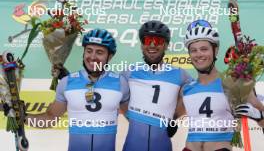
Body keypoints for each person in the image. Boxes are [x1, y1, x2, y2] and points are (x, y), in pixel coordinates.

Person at [26, 29, 129, 151]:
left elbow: (134, 119)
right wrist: (22, 116)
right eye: (89, 51)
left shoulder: (120, 82)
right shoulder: (66, 82)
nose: (92, 57)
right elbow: (50, 118)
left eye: (99, 52)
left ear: (109, 56)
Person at [122, 20, 192, 151]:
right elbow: (116, 99)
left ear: (165, 45)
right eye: (148, 40)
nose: (153, 45)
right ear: (142, 45)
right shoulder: (129, 72)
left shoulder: (180, 74)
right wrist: (131, 117)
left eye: (158, 40)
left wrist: (174, 116)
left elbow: (199, 93)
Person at [182, 20, 235, 151]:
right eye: (193, 50)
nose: (199, 54)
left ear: (215, 50)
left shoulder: (230, 84)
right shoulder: (187, 89)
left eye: (204, 49)